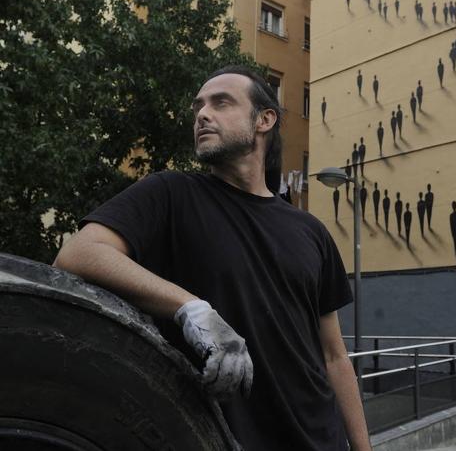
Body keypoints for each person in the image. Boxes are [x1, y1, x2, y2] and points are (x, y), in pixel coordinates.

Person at [53, 66, 371, 451]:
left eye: (221, 103)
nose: (202, 114)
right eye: (198, 106)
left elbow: (334, 356)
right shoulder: (171, 194)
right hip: (219, 439)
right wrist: (189, 307)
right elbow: (78, 254)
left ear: (264, 120)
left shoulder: (311, 231)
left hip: (322, 440)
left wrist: (362, 447)